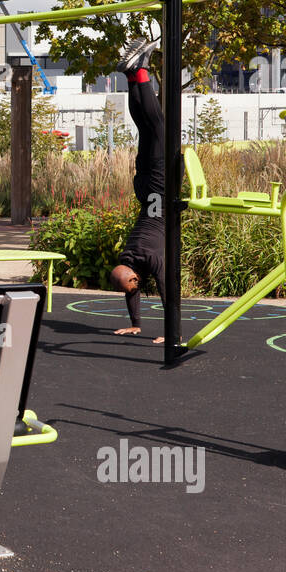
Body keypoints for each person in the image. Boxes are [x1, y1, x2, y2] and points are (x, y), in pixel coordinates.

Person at [110, 38, 166, 343]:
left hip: (157, 190)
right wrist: (136, 324)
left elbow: (167, 289)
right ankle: (131, 76)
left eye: (134, 284)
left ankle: (140, 71)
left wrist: (172, 331)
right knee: (145, 128)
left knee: (157, 126)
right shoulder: (126, 257)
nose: (137, 286)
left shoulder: (151, 261)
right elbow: (129, 287)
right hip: (145, 192)